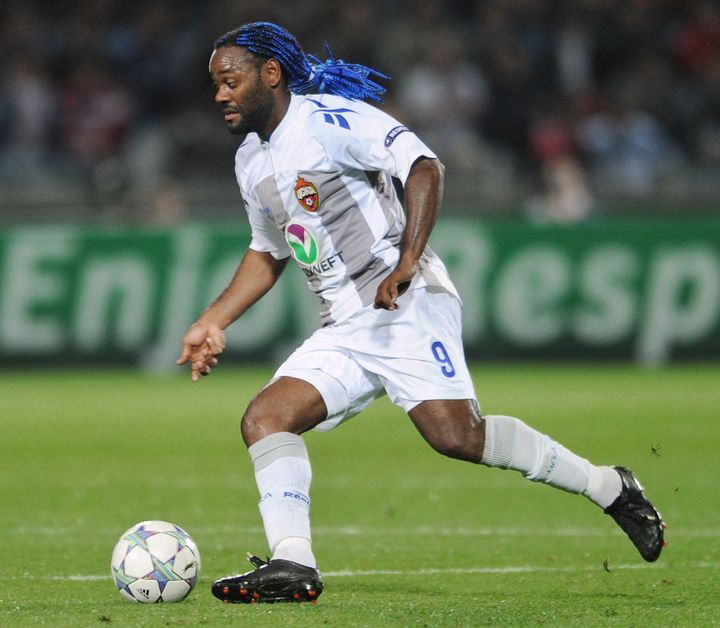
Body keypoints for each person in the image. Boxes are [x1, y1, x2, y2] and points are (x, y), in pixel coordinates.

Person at [177, 22, 665, 604]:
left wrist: (407, 259)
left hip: (403, 302)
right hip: (346, 323)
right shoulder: (250, 163)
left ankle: (611, 487)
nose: (220, 96)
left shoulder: (330, 121)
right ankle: (293, 563)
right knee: (265, 419)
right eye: (216, 85)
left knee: (456, 436)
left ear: (271, 74)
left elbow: (424, 166)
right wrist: (214, 319)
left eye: (230, 81)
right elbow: (269, 251)